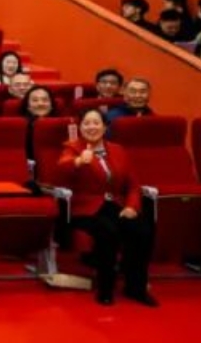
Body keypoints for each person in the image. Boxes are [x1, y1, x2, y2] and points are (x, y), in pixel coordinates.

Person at [57, 108, 156, 306]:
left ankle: (135, 288)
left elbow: (133, 185)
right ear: (80, 127)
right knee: (108, 232)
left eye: (96, 123)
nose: (91, 127)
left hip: (116, 205)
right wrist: (78, 162)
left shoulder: (118, 150)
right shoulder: (72, 148)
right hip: (85, 209)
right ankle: (106, 288)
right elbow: (62, 167)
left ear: (105, 127)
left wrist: (132, 207)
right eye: (86, 123)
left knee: (142, 230)